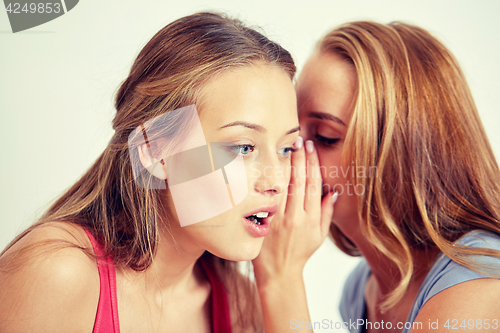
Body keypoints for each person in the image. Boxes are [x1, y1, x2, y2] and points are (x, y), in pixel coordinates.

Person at [0, 12, 303, 333]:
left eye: (286, 149)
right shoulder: (57, 274)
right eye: (243, 147)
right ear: (153, 151)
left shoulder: (239, 303)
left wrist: (284, 276)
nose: (276, 182)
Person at [254, 21, 500, 332]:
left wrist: (279, 278)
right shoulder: (362, 289)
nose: (292, 156)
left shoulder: (478, 292)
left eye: (325, 136)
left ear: (402, 155)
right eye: (290, 135)